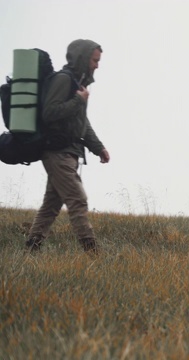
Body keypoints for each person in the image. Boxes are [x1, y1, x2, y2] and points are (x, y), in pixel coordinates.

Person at [26, 39, 110, 254]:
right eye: (94, 60)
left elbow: (82, 122)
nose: (97, 65)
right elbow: (49, 113)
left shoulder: (78, 84)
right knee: (78, 199)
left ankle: (30, 251)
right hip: (57, 152)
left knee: (51, 206)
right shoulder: (63, 80)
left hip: (69, 152)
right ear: (83, 58)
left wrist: (98, 147)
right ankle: (93, 253)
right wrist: (78, 101)